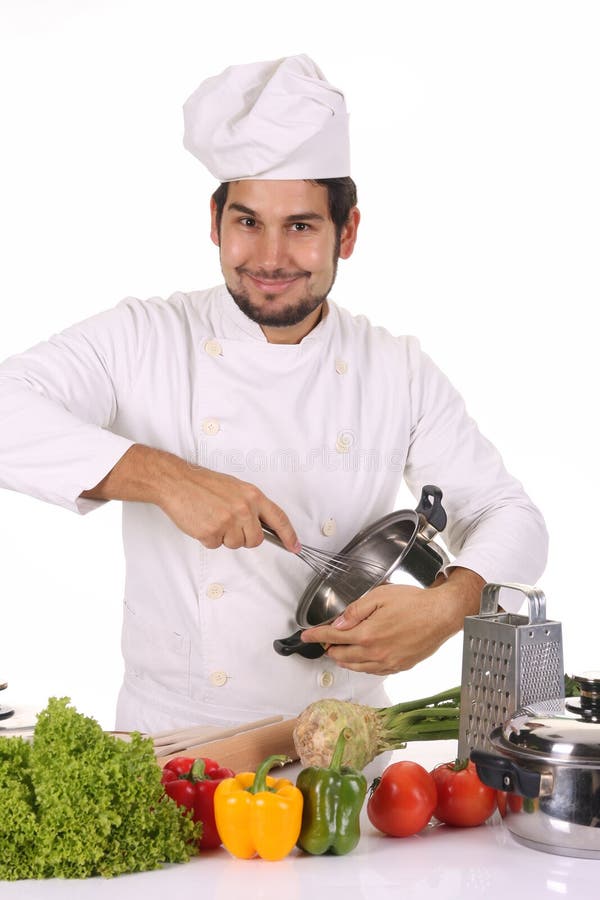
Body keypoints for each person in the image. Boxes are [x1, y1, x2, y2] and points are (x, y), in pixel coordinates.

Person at [0, 55, 547, 733]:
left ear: (346, 232)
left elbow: (508, 513)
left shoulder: (394, 367)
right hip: (177, 748)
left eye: (301, 226)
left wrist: (452, 604)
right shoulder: (144, 337)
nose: (270, 257)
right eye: (248, 222)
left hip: (346, 751)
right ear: (214, 221)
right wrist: (164, 476)